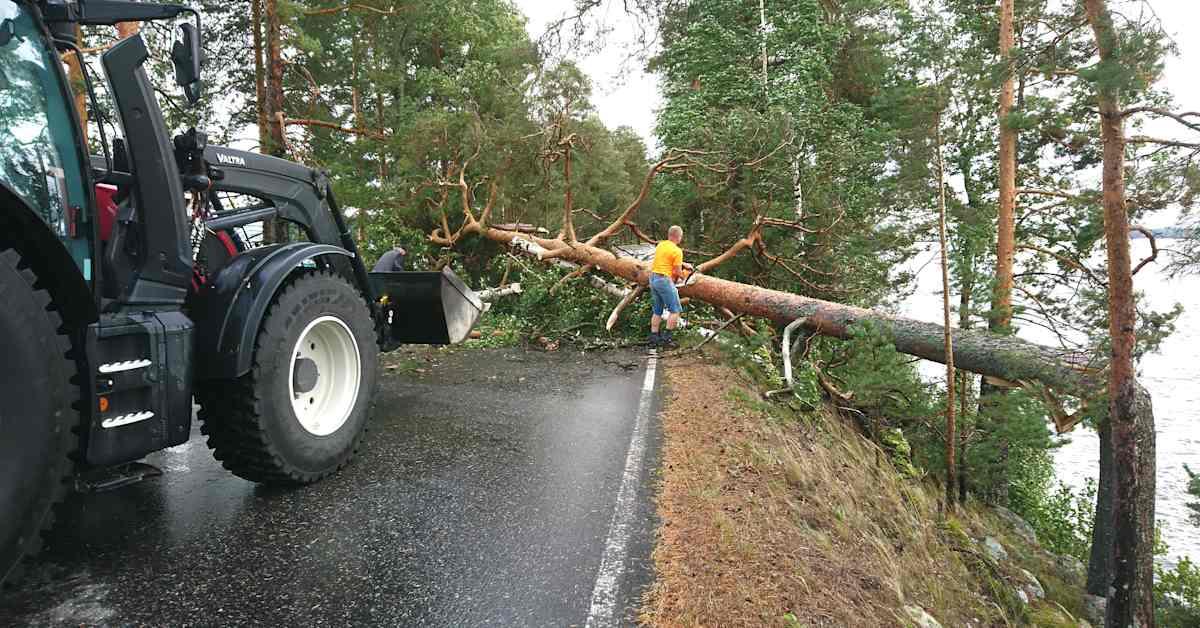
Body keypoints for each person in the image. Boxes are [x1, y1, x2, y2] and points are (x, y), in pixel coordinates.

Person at [647, 225, 692, 348]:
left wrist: (684, 264)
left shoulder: (661, 245)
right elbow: (677, 272)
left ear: (669, 235)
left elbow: (667, 259)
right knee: (675, 310)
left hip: (653, 278)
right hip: (664, 280)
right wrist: (686, 275)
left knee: (657, 310)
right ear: (679, 237)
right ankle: (667, 339)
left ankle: (654, 337)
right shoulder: (677, 251)